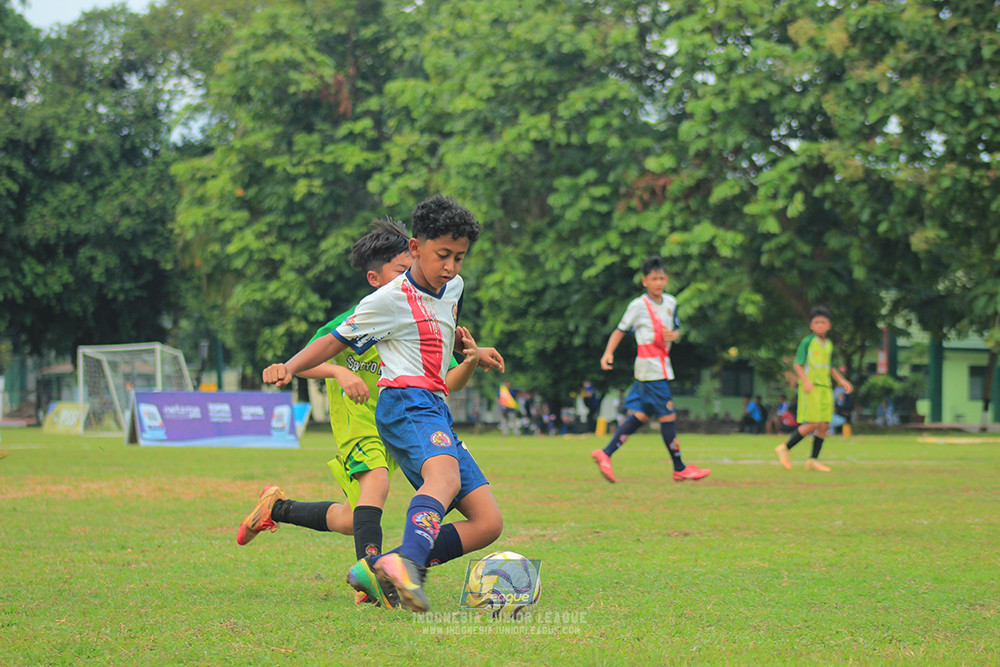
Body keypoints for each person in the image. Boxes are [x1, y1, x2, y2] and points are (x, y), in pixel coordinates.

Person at [237, 218, 502, 607]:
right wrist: (290, 367)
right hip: (404, 405)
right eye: (442, 255)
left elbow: (445, 377)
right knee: (429, 480)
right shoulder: (386, 301)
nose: (449, 266)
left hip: (432, 408)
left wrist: (472, 357)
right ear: (416, 248)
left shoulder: (453, 289)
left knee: (487, 523)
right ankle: (406, 563)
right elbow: (329, 342)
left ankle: (379, 565)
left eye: (458, 257)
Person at [591, 256, 711, 483]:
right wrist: (608, 352)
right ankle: (679, 467)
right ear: (645, 281)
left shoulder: (671, 302)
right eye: (654, 278)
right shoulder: (638, 306)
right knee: (668, 415)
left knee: (642, 415)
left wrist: (674, 335)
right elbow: (620, 330)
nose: (659, 282)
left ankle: (605, 453)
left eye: (662, 278)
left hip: (662, 366)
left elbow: (676, 329)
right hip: (649, 369)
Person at [775, 306, 853, 472]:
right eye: (816, 322)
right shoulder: (808, 342)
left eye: (823, 322)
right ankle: (785, 448)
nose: (820, 325)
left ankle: (812, 460)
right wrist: (805, 381)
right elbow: (797, 364)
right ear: (811, 325)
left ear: (829, 325)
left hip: (826, 387)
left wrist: (842, 380)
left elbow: (830, 367)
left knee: (824, 424)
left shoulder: (829, 344)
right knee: (813, 422)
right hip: (811, 387)